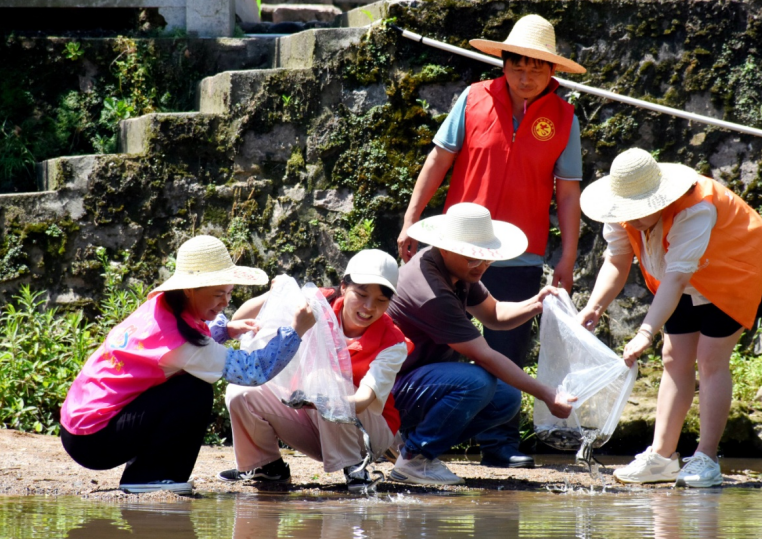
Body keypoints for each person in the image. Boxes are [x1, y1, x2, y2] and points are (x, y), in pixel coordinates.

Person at [396, 14, 587, 468]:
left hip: (523, 251)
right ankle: (411, 430)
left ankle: (499, 444)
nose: (526, 75)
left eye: (536, 67)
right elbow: (438, 160)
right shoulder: (473, 98)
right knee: (443, 342)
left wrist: (568, 256)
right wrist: (411, 219)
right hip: (459, 246)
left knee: (509, 347)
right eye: (517, 64)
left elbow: (569, 193)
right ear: (503, 63)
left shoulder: (564, 118)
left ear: (552, 71)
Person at [577, 148, 762, 488]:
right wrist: (594, 307)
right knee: (673, 357)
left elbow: (677, 277)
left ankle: (706, 458)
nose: (633, 219)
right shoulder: (619, 209)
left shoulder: (696, 207)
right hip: (682, 279)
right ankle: (661, 457)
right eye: (628, 211)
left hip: (735, 272)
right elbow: (617, 260)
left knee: (710, 358)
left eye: (640, 210)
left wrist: (645, 332)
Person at [59, 235, 316, 496]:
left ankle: (146, 473)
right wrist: (296, 331)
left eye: (229, 293)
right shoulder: (182, 343)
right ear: (189, 290)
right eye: (218, 294)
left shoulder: (161, 308)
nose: (226, 302)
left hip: (79, 426)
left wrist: (226, 330)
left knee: (185, 384)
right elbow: (252, 371)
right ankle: (150, 477)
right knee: (194, 390)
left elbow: (188, 348)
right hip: (93, 439)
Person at [386, 203, 575, 485]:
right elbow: (485, 356)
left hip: (416, 382)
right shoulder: (432, 292)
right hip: (386, 391)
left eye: (487, 258)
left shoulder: (456, 268)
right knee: (477, 381)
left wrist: (538, 303)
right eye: (474, 259)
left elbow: (494, 314)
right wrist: (547, 394)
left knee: (506, 398)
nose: (482, 266)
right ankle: (415, 458)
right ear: (446, 248)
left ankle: (403, 443)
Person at [217, 249, 410, 493]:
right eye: (361, 295)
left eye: (381, 301)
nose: (369, 307)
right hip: (315, 421)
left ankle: (355, 468)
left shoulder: (394, 343)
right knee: (241, 391)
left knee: (322, 378)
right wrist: (275, 293)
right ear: (343, 287)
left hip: (368, 434)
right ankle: (266, 466)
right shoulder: (319, 302)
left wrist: (322, 401)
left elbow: (362, 401)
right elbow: (240, 317)